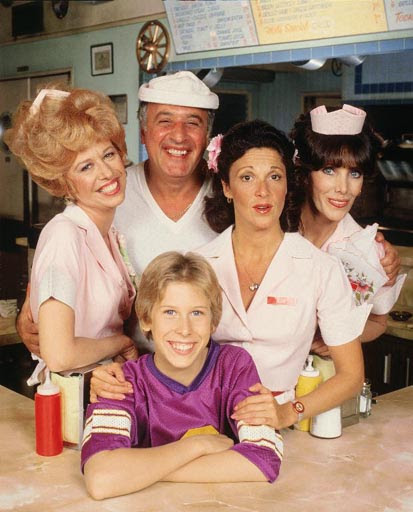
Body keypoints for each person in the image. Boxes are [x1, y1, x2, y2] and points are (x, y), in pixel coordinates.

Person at [16, 71, 219, 356]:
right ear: (144, 133)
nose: (178, 135)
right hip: (111, 373)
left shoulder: (230, 196)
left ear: (207, 136)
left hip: (192, 368)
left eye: (193, 123)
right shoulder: (83, 217)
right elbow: (55, 311)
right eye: (165, 121)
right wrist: (32, 315)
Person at [198, 120, 370, 429]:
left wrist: (290, 412)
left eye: (274, 177)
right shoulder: (198, 264)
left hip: (281, 426)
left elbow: (351, 375)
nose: (263, 191)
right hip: (202, 419)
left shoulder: (321, 269)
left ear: (287, 184)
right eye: (247, 177)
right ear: (226, 187)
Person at [82, 252, 283, 499]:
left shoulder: (234, 367)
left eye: (197, 313)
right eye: (170, 312)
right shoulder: (120, 383)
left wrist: (139, 472)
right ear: (146, 319)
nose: (184, 329)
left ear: (213, 322)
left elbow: (264, 459)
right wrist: (196, 446)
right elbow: (101, 479)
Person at [5, 86, 137, 372]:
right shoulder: (64, 236)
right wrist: (120, 343)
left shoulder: (107, 233)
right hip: (72, 393)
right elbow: (59, 355)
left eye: (108, 155)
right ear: (63, 183)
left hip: (107, 386)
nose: (106, 172)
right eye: (86, 167)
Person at [288, 104, 405, 356]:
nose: (343, 188)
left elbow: (378, 322)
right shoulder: (274, 226)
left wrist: (337, 339)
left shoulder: (366, 249)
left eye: (354, 173)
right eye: (329, 170)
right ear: (305, 173)